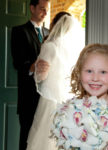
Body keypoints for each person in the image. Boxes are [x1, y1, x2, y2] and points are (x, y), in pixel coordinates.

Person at [26, 11, 84, 150]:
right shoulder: (75, 49)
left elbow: (41, 77)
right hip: (68, 100)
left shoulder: (49, 46)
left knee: (44, 137)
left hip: (50, 100)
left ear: (54, 25)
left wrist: (37, 72)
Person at [11, 0, 50, 149]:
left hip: (46, 97)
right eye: (42, 9)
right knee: (27, 138)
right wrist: (33, 67)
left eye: (47, 9)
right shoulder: (19, 31)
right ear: (32, 8)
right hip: (28, 97)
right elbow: (17, 63)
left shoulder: (49, 33)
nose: (45, 13)